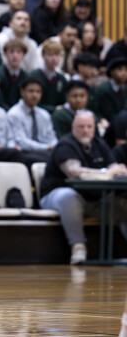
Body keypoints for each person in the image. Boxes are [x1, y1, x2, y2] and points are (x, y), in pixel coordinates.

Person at [40, 111, 127, 264]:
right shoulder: (65, 144)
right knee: (69, 197)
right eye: (81, 126)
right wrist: (105, 172)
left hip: (93, 199)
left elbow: (115, 168)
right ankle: (78, 247)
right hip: (55, 196)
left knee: (122, 205)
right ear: (73, 127)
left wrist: (119, 171)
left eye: (89, 126)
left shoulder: (99, 144)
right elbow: (73, 172)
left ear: (94, 128)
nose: (85, 130)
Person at [7, 77, 58, 162]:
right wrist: (46, 147)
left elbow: (52, 137)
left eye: (38, 92)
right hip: (24, 153)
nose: (35, 95)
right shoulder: (14, 114)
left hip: (46, 152)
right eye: (31, 91)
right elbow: (21, 142)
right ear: (22, 92)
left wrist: (53, 146)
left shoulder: (44, 114)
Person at [29, 39, 67, 113]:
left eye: (57, 55)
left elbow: (64, 101)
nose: (54, 58)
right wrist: (53, 109)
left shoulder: (61, 78)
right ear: (43, 56)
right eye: (50, 55)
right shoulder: (34, 76)